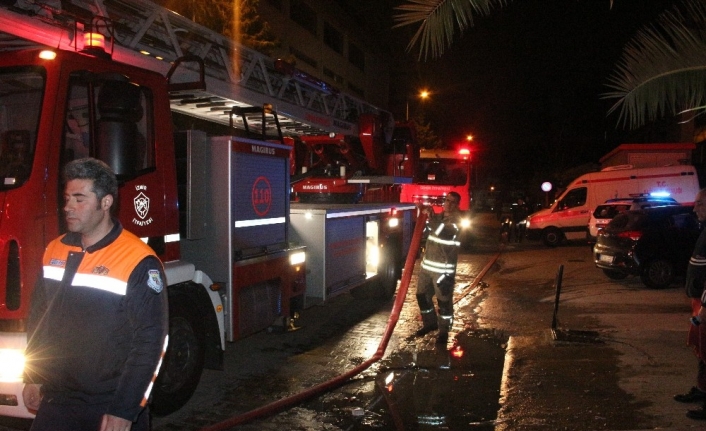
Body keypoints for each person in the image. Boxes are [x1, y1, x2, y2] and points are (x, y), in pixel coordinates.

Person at [22, 158, 169, 431]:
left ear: (105, 202)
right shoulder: (54, 250)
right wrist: (34, 374)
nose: (68, 207)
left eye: (79, 199)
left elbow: (151, 340)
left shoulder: (138, 260)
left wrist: (125, 409)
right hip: (58, 399)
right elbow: (40, 318)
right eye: (67, 198)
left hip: (107, 404)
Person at [414, 191, 463, 344]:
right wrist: (422, 215)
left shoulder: (457, 221)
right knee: (422, 296)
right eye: (447, 200)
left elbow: (443, 232)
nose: (448, 203)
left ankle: (443, 331)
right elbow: (425, 233)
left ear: (457, 205)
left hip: (443, 271)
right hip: (427, 267)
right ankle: (430, 324)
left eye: (452, 202)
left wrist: (430, 216)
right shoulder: (438, 218)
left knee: (444, 302)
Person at [676, 188, 706, 420]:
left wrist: (704, 308)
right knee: (700, 349)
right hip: (699, 302)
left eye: (700, 203)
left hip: (705, 305)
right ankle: (702, 390)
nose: (694, 207)